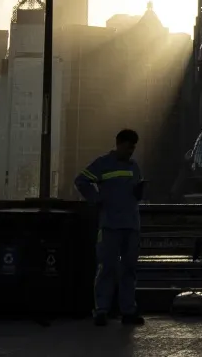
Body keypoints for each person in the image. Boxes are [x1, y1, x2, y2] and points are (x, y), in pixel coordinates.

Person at [75, 128, 146, 327]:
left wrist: (139, 191)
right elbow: (81, 180)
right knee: (107, 267)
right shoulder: (103, 164)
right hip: (110, 226)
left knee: (129, 269)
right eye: (128, 147)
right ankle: (101, 310)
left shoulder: (134, 167)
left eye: (133, 148)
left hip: (131, 225)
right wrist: (96, 199)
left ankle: (128, 310)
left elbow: (134, 193)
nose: (131, 151)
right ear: (119, 144)